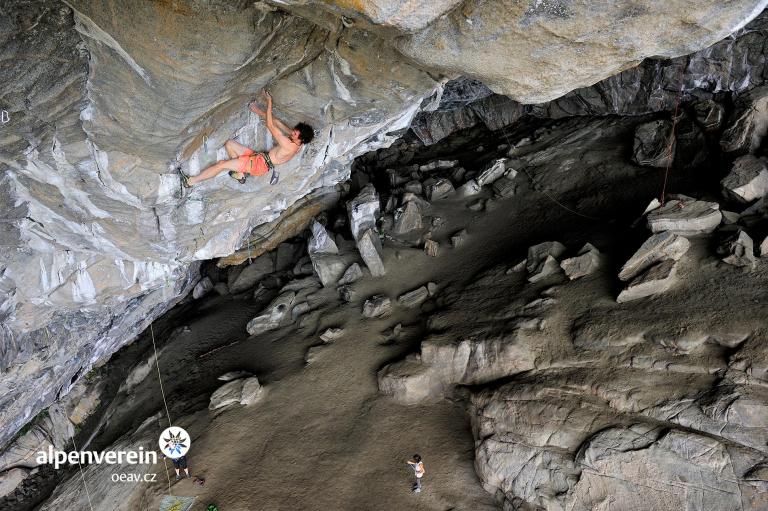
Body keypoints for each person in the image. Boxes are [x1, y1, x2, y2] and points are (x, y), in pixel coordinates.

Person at [180, 90, 314, 188]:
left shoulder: (289, 145)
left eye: (295, 134)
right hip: (259, 158)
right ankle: (240, 175)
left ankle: (190, 182)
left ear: (300, 139)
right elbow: (277, 122)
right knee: (230, 144)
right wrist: (257, 110)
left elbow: (270, 125)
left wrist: (269, 103)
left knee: (221, 164)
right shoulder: (298, 142)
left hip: (258, 165)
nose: (292, 132)